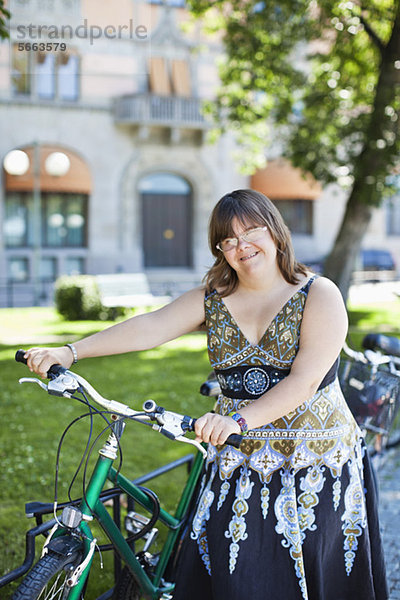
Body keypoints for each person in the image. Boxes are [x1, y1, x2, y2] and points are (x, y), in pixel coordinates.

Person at [25, 189, 388, 600]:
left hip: (316, 463)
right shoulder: (212, 300)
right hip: (237, 459)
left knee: (311, 581)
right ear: (220, 250)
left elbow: (303, 383)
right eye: (228, 240)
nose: (241, 246)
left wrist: (236, 420)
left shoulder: (319, 295)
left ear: (275, 231)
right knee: (238, 580)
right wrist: (70, 352)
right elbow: (150, 327)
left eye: (251, 231)